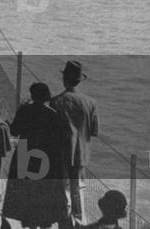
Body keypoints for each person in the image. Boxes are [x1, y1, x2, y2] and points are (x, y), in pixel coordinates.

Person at [2, 82, 70, 229]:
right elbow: (61, 138)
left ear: (32, 96)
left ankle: (30, 224)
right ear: (47, 96)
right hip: (46, 157)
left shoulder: (24, 110)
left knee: (25, 193)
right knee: (44, 193)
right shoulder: (54, 114)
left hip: (24, 154)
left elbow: (15, 131)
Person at [53, 60, 100, 228]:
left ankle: (65, 224)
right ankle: (80, 223)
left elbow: (52, 131)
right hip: (81, 155)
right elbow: (94, 131)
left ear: (64, 79)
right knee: (78, 191)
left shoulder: (56, 102)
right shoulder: (91, 102)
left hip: (61, 154)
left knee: (64, 192)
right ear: (79, 81)